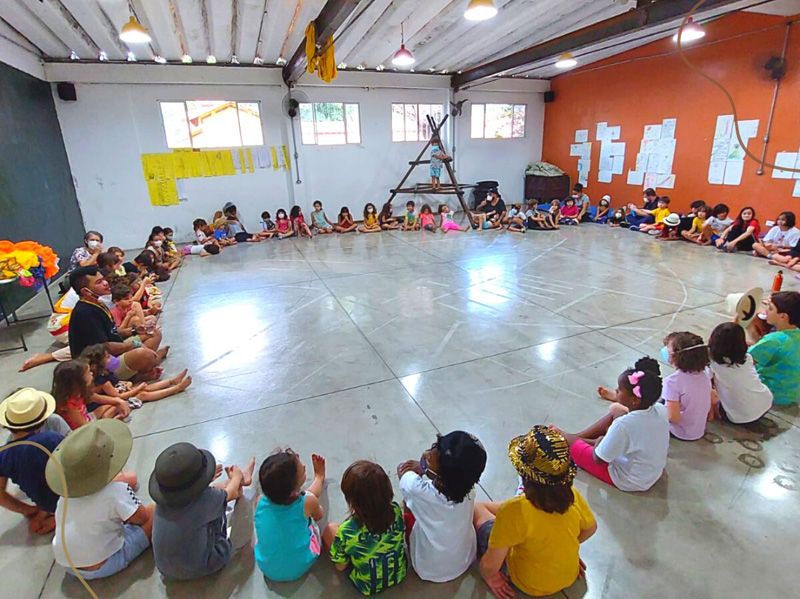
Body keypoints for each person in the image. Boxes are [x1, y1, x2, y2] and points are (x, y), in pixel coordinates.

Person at [473, 425, 596, 598]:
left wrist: (490, 575)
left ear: (525, 476)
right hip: (568, 575)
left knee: (478, 508)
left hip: (528, 583)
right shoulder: (573, 496)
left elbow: (491, 564)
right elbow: (590, 528)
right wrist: (564, 549)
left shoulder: (516, 510)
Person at [47, 420, 152, 580]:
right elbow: (142, 518)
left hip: (68, 566)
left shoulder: (65, 495)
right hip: (103, 564)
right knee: (155, 512)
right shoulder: (116, 491)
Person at [558, 357, 669, 492]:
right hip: (651, 473)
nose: (616, 391)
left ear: (634, 400)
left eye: (620, 390)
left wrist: (599, 441)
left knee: (569, 442)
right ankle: (580, 437)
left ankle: (568, 437)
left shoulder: (624, 425)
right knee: (616, 412)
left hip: (628, 479)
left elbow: (599, 459)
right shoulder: (660, 409)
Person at [150, 443, 256, 581]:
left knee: (213, 499)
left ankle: (239, 480)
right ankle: (243, 479)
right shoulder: (207, 499)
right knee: (239, 500)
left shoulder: (163, 500)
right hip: (202, 566)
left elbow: (205, 496)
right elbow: (230, 493)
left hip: (165, 570)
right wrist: (236, 477)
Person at [397, 431, 487, 583]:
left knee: (408, 505)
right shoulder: (470, 488)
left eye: (431, 457)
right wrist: (427, 467)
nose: (429, 453)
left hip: (427, 569)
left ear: (440, 477)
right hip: (465, 559)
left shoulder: (416, 490)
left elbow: (403, 472)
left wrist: (421, 467)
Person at [67, 266, 165, 381]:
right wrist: (133, 345)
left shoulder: (98, 303)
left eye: (103, 279)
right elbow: (104, 347)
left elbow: (112, 331)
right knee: (145, 355)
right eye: (99, 282)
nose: (105, 283)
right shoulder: (84, 312)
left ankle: (146, 362)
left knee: (154, 333)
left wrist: (135, 331)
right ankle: (136, 372)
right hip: (102, 364)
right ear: (85, 291)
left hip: (114, 350)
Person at [327, 460, 407, 595]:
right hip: (399, 575)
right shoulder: (396, 511)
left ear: (353, 502)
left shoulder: (347, 530)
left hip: (366, 586)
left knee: (330, 528)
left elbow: (340, 567)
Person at [0, 388, 65, 535]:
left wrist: (29, 510)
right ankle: (60, 517)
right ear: (42, 418)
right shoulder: (52, 438)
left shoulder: (4, 455)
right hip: (72, 499)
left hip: (46, 504)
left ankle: (50, 514)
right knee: (128, 480)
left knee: (38, 521)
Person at [254, 449, 327, 581]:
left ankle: (318, 479)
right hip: (300, 566)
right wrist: (312, 501)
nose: (304, 466)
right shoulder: (307, 502)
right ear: (293, 490)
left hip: (267, 567)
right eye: (301, 469)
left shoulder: (259, 501)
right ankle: (319, 478)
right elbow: (319, 514)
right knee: (308, 502)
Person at [81, 344, 192, 404]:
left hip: (120, 391)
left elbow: (117, 382)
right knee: (143, 393)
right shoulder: (103, 381)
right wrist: (136, 389)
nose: (112, 357)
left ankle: (172, 381)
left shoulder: (107, 372)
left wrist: (128, 383)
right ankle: (176, 388)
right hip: (115, 399)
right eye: (108, 357)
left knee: (146, 387)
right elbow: (118, 396)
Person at [708, 322, 773, 424]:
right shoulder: (748, 358)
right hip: (766, 403)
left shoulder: (712, 365)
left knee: (709, 390)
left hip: (739, 417)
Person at [747, 291, 800, 406]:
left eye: (770, 309)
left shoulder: (774, 340)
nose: (766, 311)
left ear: (783, 316)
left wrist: (736, 326)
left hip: (772, 394)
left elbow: (743, 361)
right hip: (792, 393)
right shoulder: (795, 334)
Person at [661, 332, 712, 441]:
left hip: (680, 432)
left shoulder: (672, 382)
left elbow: (673, 417)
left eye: (668, 349)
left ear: (675, 356)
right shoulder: (705, 374)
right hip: (698, 430)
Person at [52, 360, 122, 429]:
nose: (91, 373)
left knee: (112, 405)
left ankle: (107, 418)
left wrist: (118, 401)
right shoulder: (69, 405)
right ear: (77, 381)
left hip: (88, 417)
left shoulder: (80, 391)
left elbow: (99, 398)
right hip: (82, 431)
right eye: (88, 373)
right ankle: (107, 419)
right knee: (111, 409)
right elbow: (84, 426)